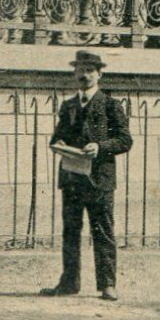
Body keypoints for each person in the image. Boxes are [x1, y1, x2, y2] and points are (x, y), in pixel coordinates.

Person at [40, 50, 132, 301]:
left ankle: (107, 285)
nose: (84, 74)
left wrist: (100, 147)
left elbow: (125, 140)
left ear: (100, 74)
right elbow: (57, 138)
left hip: (99, 180)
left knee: (102, 231)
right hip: (71, 178)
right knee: (70, 231)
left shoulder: (111, 104)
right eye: (80, 69)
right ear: (74, 73)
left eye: (90, 70)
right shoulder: (68, 106)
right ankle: (69, 283)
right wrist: (58, 144)